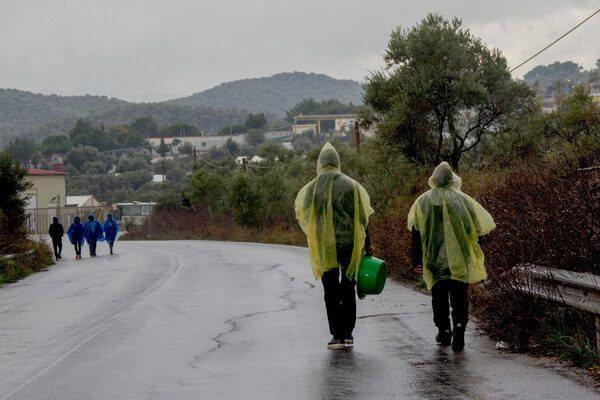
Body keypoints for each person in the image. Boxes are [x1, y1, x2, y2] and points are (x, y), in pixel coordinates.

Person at [407, 162, 495, 350]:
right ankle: (459, 331)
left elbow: (417, 233)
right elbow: (475, 231)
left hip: (434, 259)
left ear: (434, 179)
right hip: (460, 258)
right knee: (460, 296)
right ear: (451, 179)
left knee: (438, 296)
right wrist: (476, 253)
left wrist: (416, 259)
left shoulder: (423, 201)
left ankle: (444, 332)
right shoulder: (463, 200)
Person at [295, 142, 374, 350]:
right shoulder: (352, 185)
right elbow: (363, 217)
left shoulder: (312, 188)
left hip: (325, 244)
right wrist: (368, 243)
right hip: (349, 241)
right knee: (348, 284)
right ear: (338, 162)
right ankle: (348, 333)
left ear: (320, 163)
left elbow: (306, 215)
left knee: (330, 288)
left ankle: (337, 335)